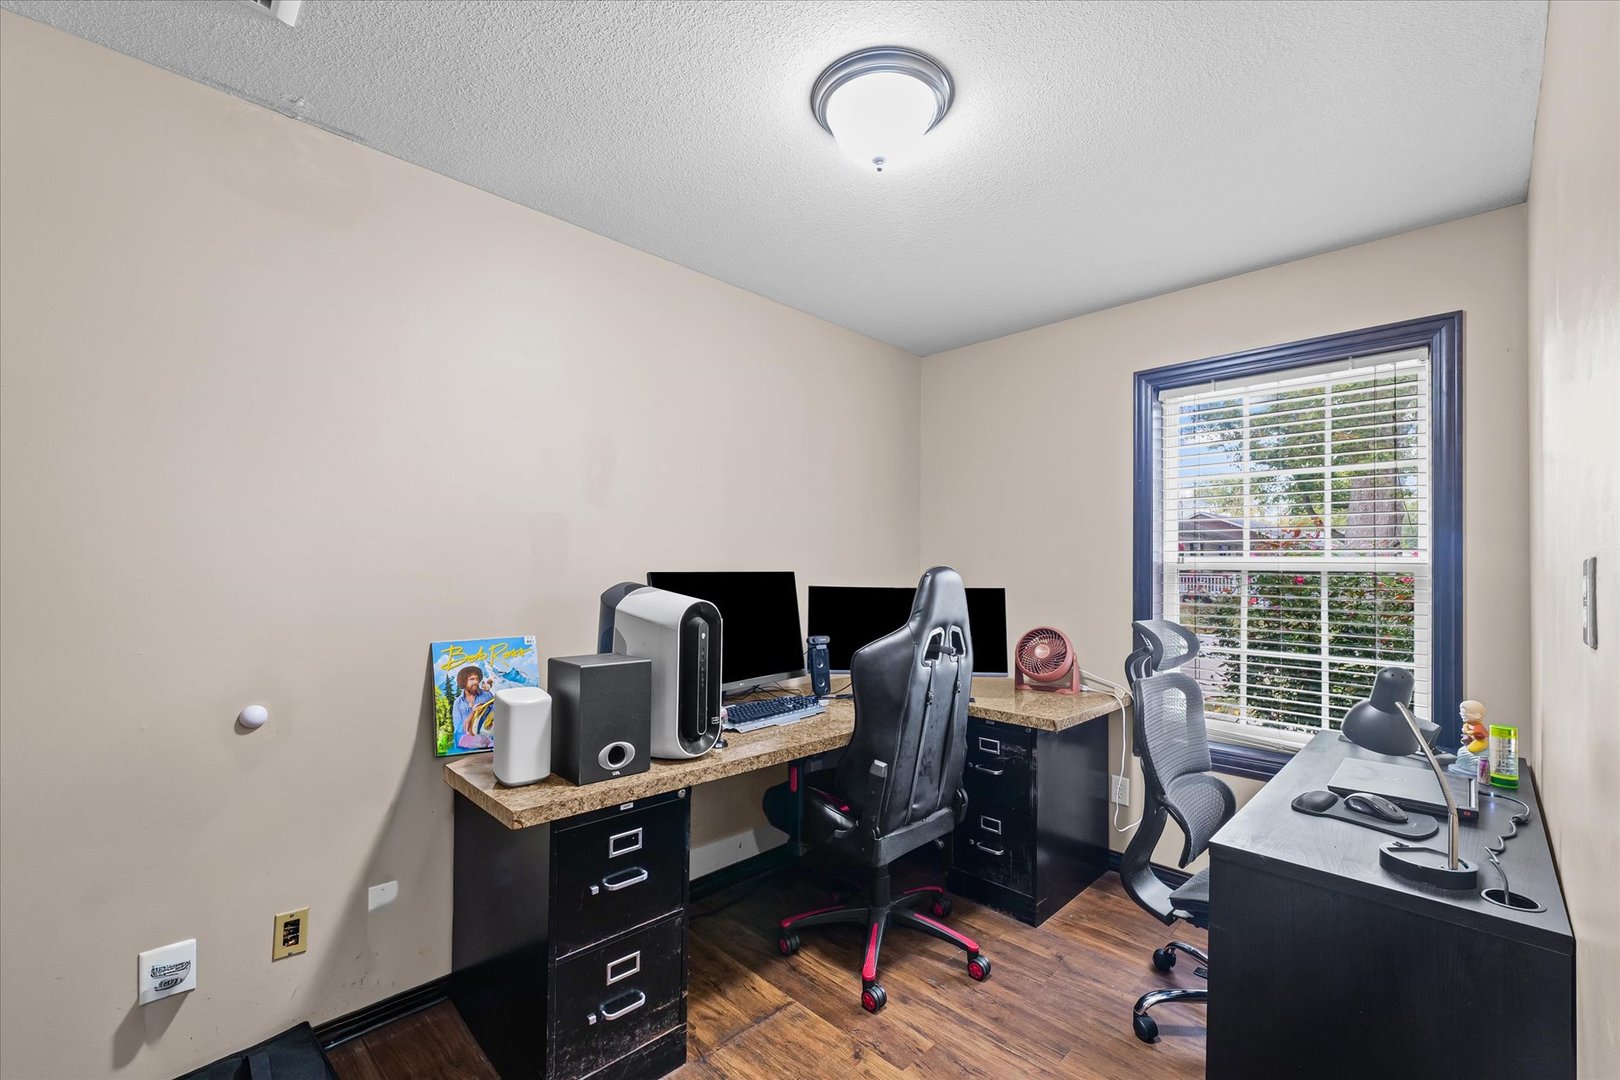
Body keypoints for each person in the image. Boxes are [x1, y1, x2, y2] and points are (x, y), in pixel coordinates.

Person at [452, 664, 495, 750]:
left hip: (488, 743)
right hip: (466, 746)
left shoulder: (487, 696)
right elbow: (458, 728)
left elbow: (496, 716)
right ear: (464, 682)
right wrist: (473, 712)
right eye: (471, 679)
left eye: (477, 679)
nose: (475, 682)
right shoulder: (458, 703)